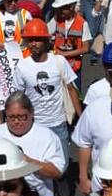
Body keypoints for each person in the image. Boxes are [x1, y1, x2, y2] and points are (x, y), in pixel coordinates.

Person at [13, 19, 81, 147]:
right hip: (34, 125)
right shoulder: (22, 66)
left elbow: (71, 89)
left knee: (62, 163)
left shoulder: (59, 61)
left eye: (37, 39)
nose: (33, 44)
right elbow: (18, 97)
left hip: (58, 124)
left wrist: (81, 117)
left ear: (46, 41)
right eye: (30, 40)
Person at [49, 0, 90, 84]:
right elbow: (47, 33)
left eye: (62, 8)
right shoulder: (56, 19)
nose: (59, 11)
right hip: (57, 66)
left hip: (74, 68)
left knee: (74, 94)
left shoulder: (83, 23)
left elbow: (85, 48)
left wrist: (64, 54)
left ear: (71, 7)